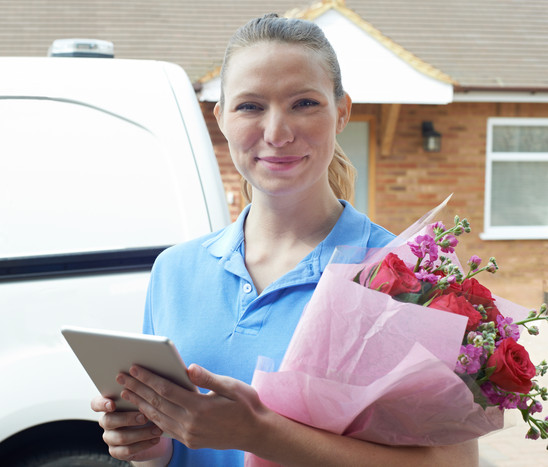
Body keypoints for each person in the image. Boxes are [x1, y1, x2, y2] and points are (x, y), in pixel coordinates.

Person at [92, 13, 479, 466]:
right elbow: (170, 454)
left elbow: (454, 463)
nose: (276, 132)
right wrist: (147, 444)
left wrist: (261, 433)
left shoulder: (404, 276)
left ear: (342, 112)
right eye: (250, 106)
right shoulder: (175, 270)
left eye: (304, 103)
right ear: (221, 118)